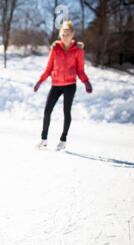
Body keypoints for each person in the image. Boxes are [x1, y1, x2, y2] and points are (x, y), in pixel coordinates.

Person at [33, 20, 93, 150]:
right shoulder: (55, 48)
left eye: (67, 34)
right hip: (56, 85)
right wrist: (39, 81)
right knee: (47, 111)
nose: (64, 36)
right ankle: (44, 139)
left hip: (70, 85)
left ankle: (63, 140)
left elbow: (80, 70)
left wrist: (86, 81)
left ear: (72, 35)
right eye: (63, 34)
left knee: (66, 111)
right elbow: (48, 68)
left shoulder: (77, 50)